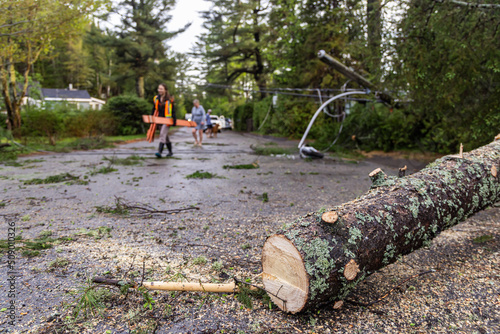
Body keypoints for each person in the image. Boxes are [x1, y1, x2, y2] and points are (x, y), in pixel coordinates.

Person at [152, 84, 176, 158]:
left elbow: (173, 111)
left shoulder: (169, 99)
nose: (159, 90)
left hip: (167, 121)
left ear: (165, 90)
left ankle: (160, 151)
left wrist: (174, 121)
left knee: (162, 134)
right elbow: (154, 109)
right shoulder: (156, 98)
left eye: (161, 89)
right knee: (165, 137)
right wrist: (152, 118)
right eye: (159, 89)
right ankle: (170, 152)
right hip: (159, 120)